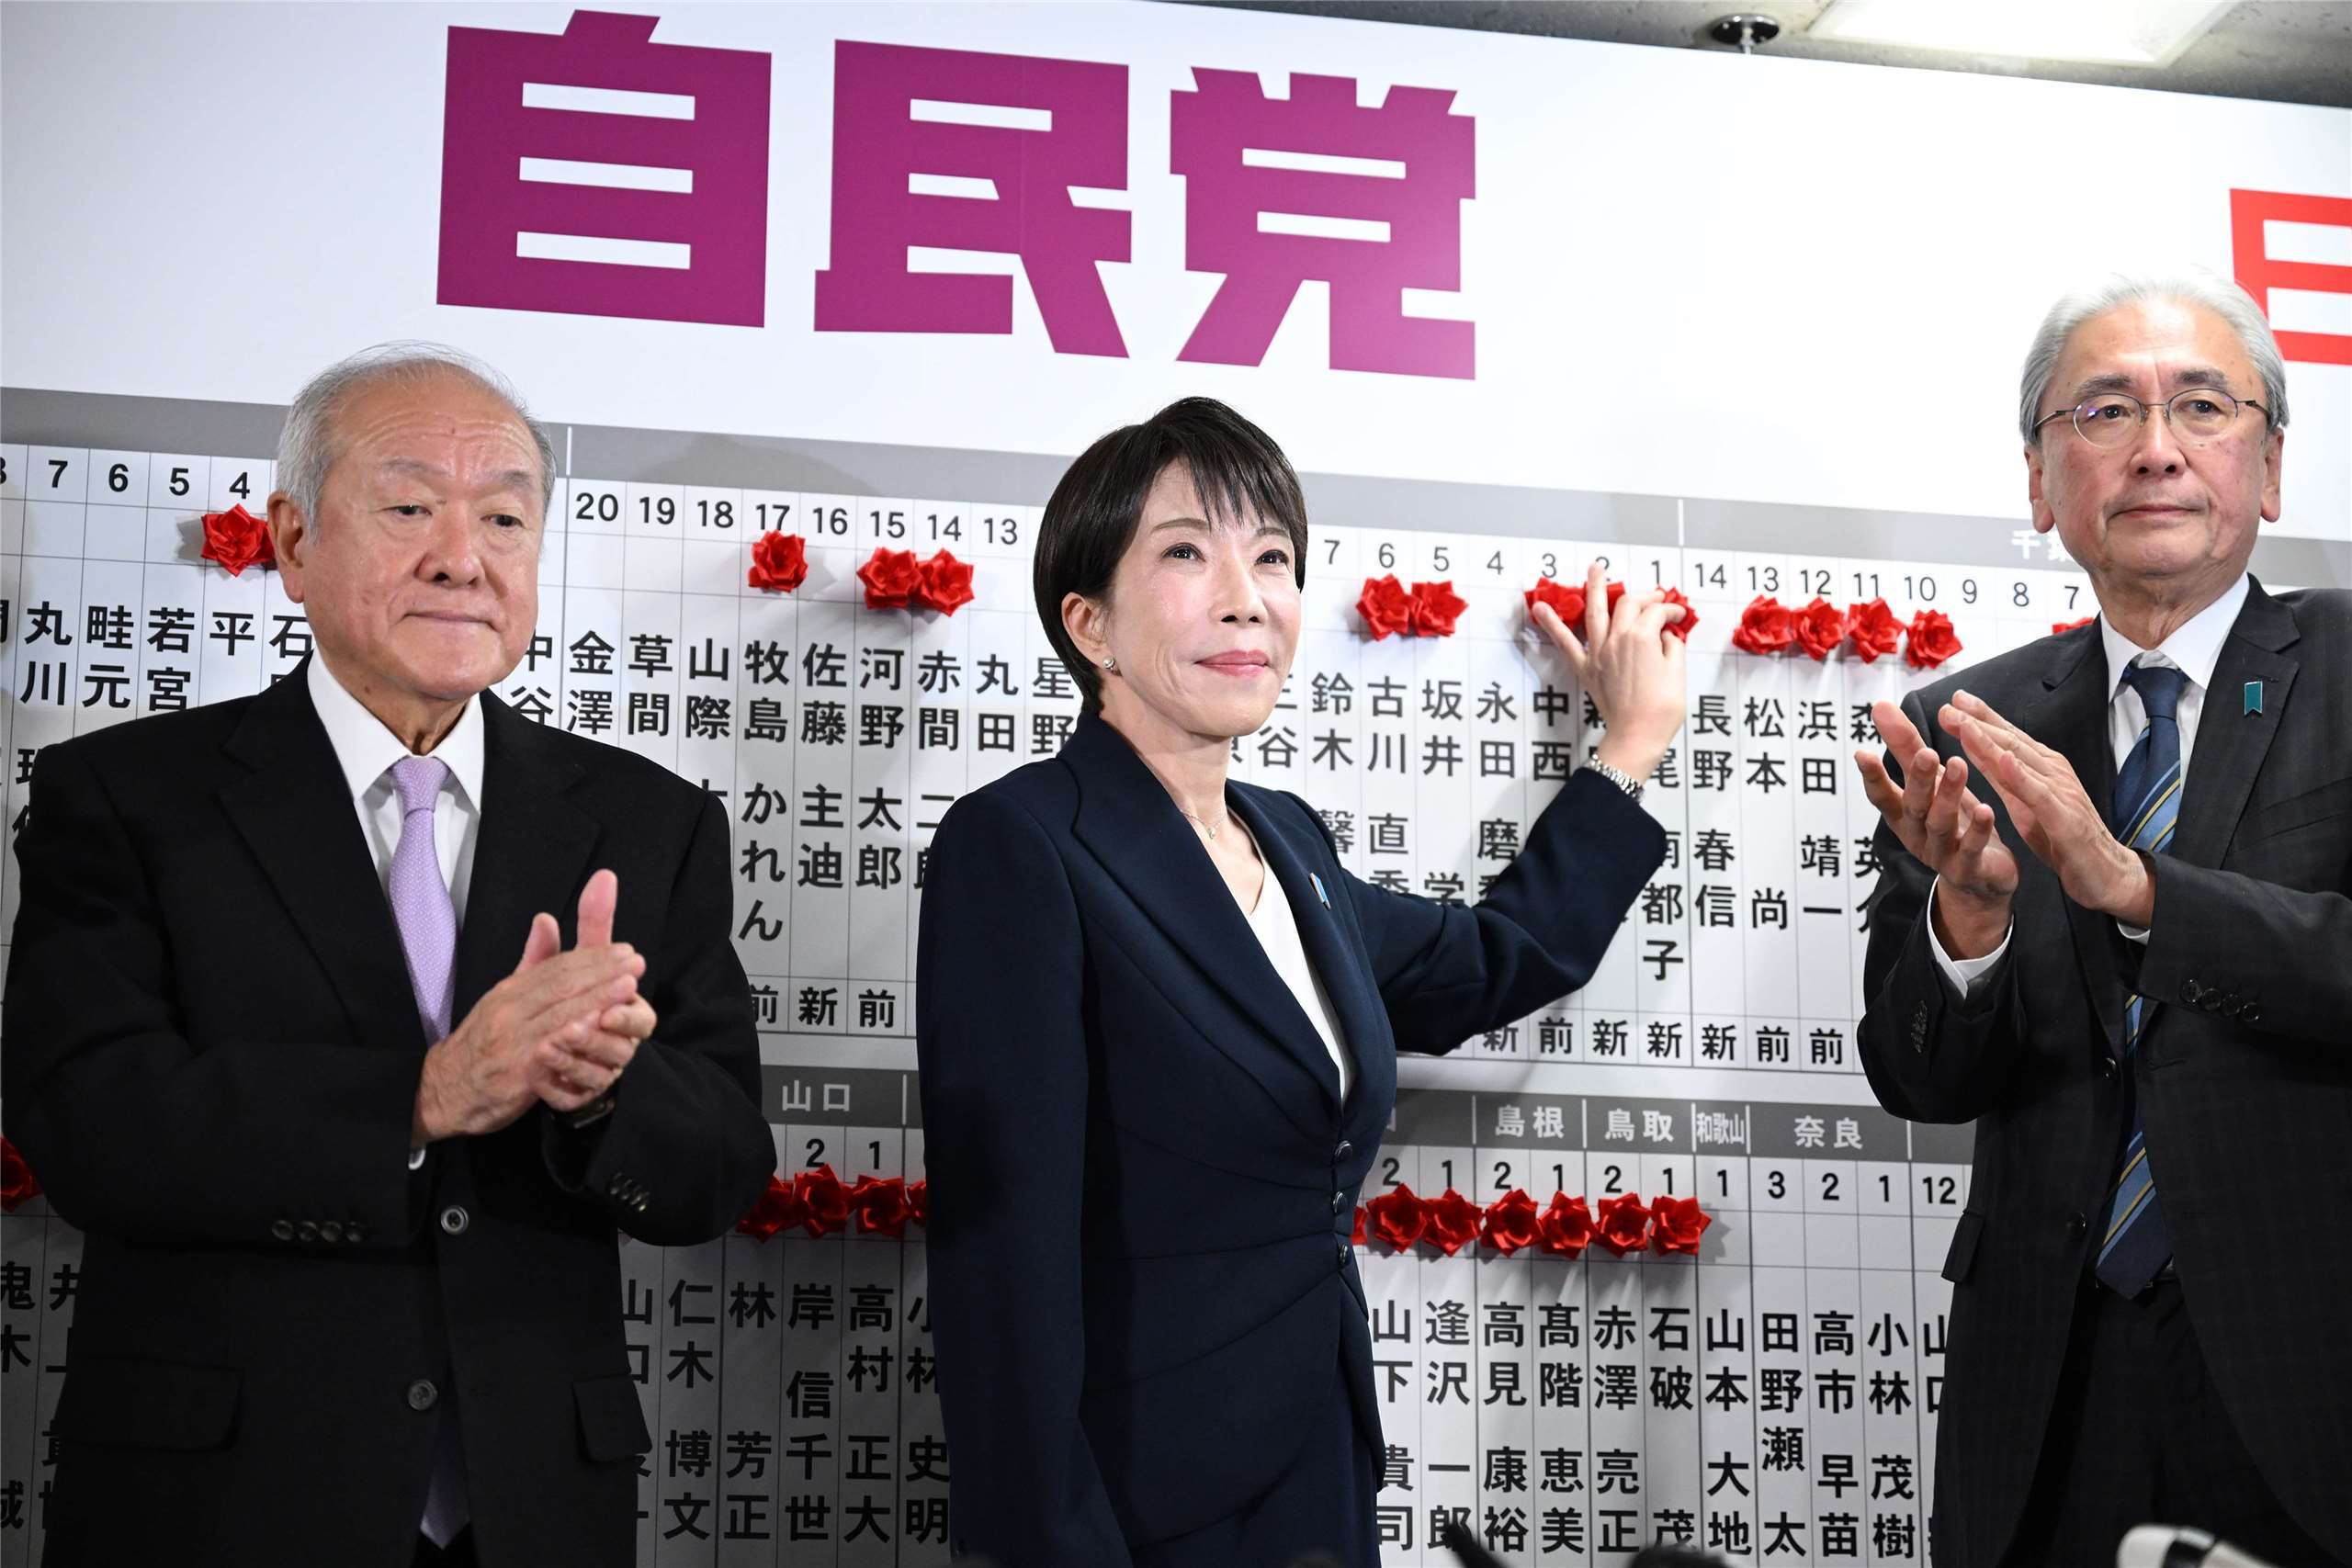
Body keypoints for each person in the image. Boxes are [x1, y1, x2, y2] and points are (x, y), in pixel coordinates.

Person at [2, 344, 776, 1567]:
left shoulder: (647, 821)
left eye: (506, 518)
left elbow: (723, 1162)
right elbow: (88, 1120)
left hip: (531, 1507)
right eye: (410, 505)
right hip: (219, 1500)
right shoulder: (130, 794)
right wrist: (422, 1096)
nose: (461, 556)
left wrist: (603, 1095)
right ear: (294, 541)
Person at [914, 396, 1688, 1566]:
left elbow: (1494, 961)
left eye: (1271, 557)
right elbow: (1003, 1252)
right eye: (1187, 553)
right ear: (1090, 623)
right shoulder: (1023, 844)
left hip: (1313, 1468)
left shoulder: (1289, 842)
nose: (1247, 596)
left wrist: (1624, 753)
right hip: (1131, 1500)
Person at [1851, 272, 2349, 1568]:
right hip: (2049, 1377)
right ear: (2039, 480)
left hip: (2314, 1365)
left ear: (2272, 463)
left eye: (2201, 404)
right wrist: (1966, 919)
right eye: (2106, 410)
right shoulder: (1966, 722)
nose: (2157, 447)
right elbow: (1917, 1071)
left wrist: (2140, 890)